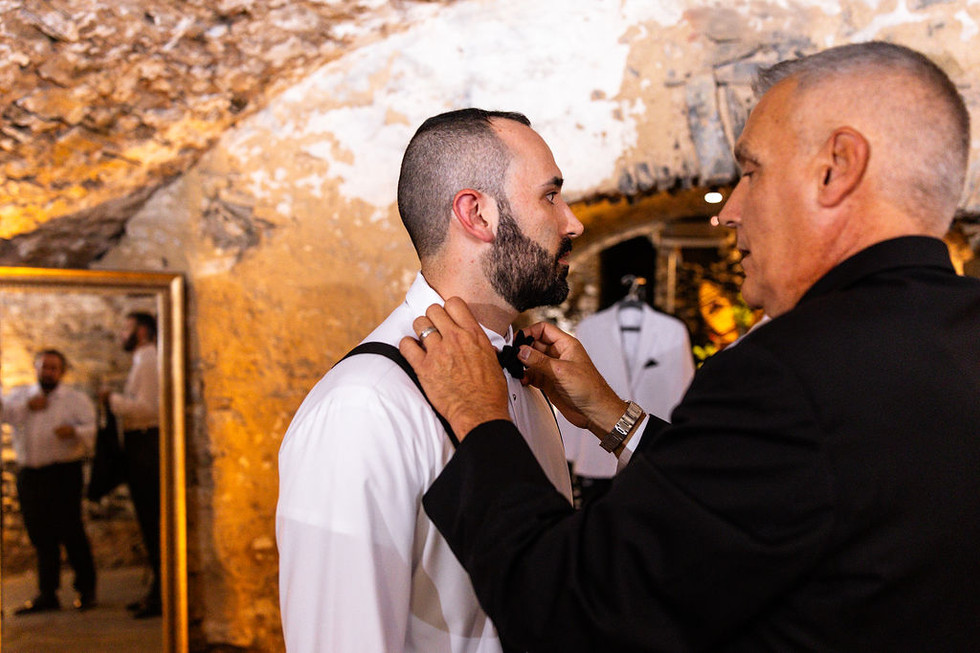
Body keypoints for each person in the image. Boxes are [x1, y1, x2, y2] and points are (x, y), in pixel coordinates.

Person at [403, 42, 980, 652]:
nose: (727, 211)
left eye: (751, 171)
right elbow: (772, 497)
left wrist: (481, 418)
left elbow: (574, 612)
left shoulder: (786, 375)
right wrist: (612, 415)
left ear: (835, 168)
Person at [276, 108, 584, 652]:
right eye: (550, 196)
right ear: (477, 214)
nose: (573, 221)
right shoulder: (365, 407)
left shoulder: (529, 379)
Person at [0, 350, 97, 613]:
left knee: (71, 530)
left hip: (63, 472)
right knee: (40, 533)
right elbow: (5, 413)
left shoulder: (75, 399)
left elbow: (93, 428)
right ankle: (47, 592)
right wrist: (27, 407)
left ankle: (86, 588)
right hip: (31, 473)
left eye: (54, 368)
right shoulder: (21, 396)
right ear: (36, 368)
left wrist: (75, 432)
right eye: (44, 367)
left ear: (62, 371)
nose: (48, 372)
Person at [102, 311, 161, 619]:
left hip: (146, 445)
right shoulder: (142, 360)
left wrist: (112, 400)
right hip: (139, 444)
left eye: (125, 328)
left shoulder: (149, 360)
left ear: (141, 331)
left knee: (153, 520)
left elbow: (150, 408)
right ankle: (157, 590)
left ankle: (162, 593)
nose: (120, 335)